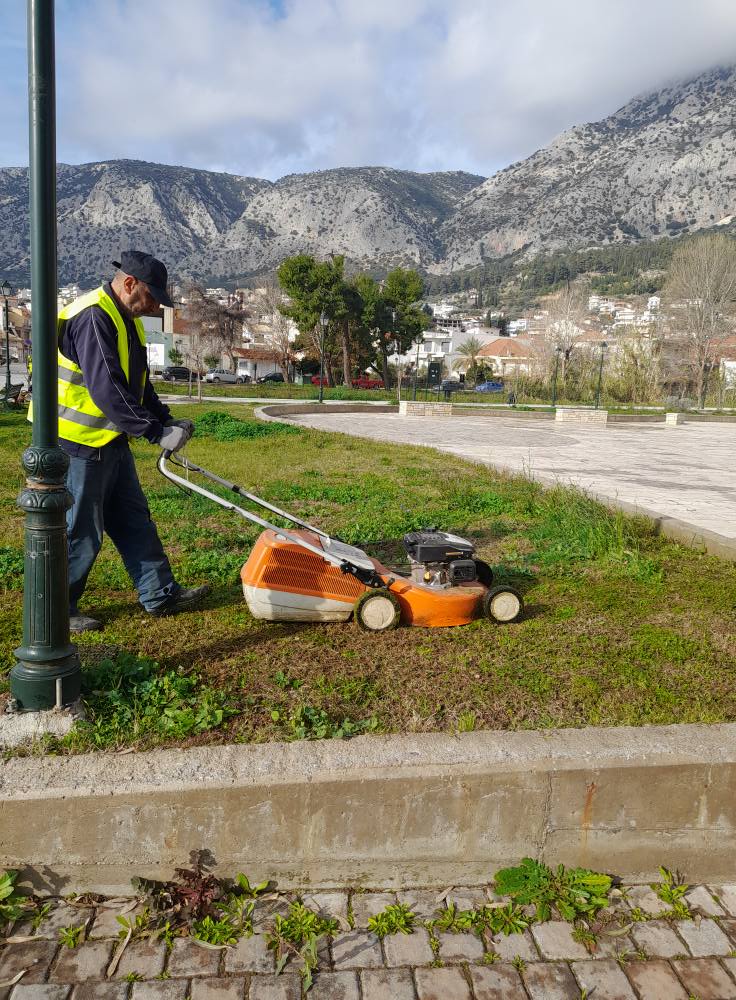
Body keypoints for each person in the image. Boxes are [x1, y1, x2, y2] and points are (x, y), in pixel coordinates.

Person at [38, 250, 209, 633]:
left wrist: (166, 419)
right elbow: (108, 390)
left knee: (134, 520)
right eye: (150, 299)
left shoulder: (125, 318)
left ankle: (160, 594)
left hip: (109, 439)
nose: (152, 308)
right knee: (81, 530)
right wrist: (153, 432)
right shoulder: (93, 316)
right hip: (76, 442)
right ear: (129, 283)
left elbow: (137, 383)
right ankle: (56, 610)